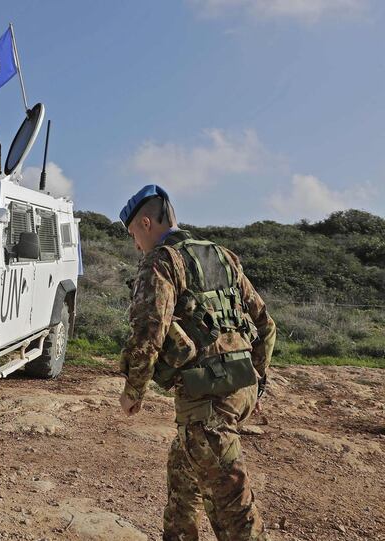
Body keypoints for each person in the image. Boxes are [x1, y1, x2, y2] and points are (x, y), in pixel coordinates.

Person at [117, 184, 276, 541]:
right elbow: (266, 324)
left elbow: (149, 331)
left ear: (145, 223)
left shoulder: (161, 261)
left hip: (207, 400)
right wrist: (258, 380)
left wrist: (134, 390)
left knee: (233, 510)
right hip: (240, 385)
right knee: (182, 481)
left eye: (132, 236)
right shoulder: (222, 255)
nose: (135, 245)